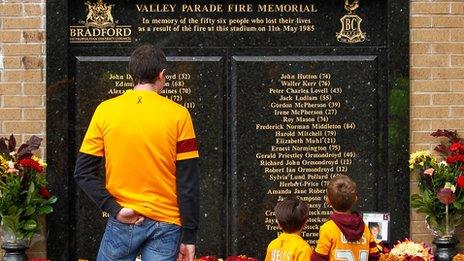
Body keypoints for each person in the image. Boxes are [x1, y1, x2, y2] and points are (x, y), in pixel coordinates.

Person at [74, 44, 199, 261]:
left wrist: (114, 208)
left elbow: (83, 172)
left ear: (132, 75)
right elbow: (188, 182)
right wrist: (189, 236)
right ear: (162, 75)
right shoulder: (180, 115)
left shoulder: (105, 111)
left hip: (124, 217)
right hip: (167, 223)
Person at [311, 175, 380, 261]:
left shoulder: (328, 228)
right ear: (355, 199)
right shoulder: (365, 228)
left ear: (328, 201)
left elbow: (318, 258)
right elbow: (375, 256)